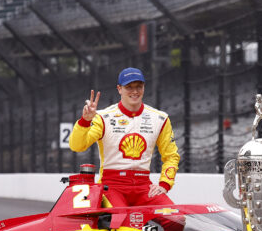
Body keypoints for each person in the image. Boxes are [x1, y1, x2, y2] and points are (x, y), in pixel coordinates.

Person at [69, 67, 180, 209]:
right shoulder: (103, 117)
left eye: (139, 86)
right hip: (112, 186)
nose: (135, 91)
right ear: (119, 89)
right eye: (129, 87)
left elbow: (171, 156)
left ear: (144, 87)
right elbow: (77, 146)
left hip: (144, 186)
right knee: (121, 220)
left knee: (176, 220)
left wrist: (164, 184)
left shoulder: (160, 118)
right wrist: (85, 121)